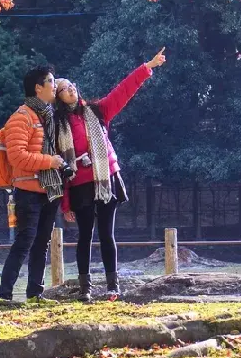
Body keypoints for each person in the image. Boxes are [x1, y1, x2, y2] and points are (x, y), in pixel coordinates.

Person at [56, 48, 166, 302]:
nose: (71, 89)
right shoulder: (57, 125)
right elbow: (61, 166)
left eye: (72, 85)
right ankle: (85, 288)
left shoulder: (97, 111)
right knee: (85, 236)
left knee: (107, 234)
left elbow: (122, 91)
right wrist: (66, 203)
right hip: (80, 185)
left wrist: (147, 67)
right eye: (64, 88)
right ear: (58, 97)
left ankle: (112, 286)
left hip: (106, 180)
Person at [0, 66, 67, 302]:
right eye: (51, 81)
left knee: (42, 243)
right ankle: (4, 295)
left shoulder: (49, 116)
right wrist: (51, 161)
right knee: (25, 241)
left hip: (49, 190)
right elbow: (16, 157)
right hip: (28, 191)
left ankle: (35, 294)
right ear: (38, 88)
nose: (55, 85)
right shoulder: (21, 117)